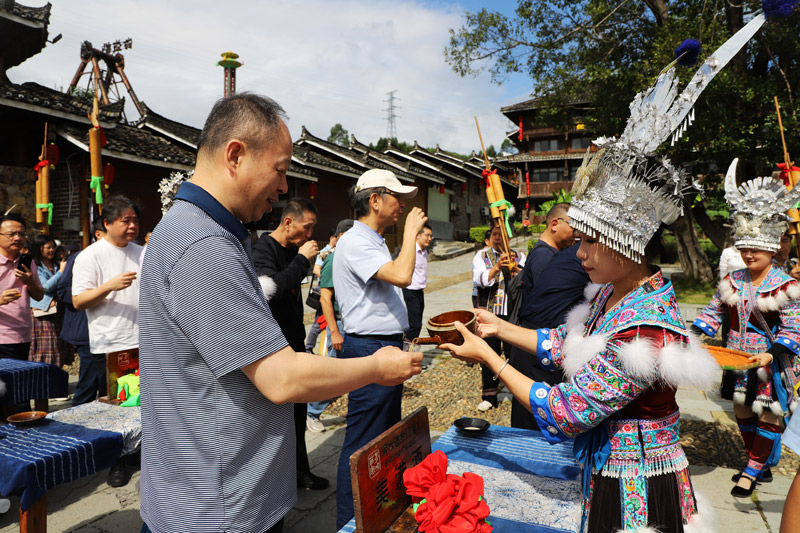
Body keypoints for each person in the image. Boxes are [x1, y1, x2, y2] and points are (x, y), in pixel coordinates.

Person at [437, 26, 761, 524]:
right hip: (606, 467)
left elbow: (567, 411)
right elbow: (569, 345)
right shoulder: (613, 293)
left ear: (627, 245)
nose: (580, 253)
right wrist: (499, 329)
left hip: (637, 486)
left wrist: (490, 359)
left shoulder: (645, 330)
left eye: (590, 241)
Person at [138, 93, 422, 533]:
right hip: (220, 505)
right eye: (281, 169)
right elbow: (282, 378)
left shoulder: (192, 229)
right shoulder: (203, 245)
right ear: (236, 155)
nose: (284, 187)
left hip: (199, 487)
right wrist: (377, 366)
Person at [693, 160, 800, 497]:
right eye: (744, 248)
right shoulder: (732, 279)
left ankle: (751, 470)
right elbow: (713, 311)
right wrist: (692, 335)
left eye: (756, 249)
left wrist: (770, 354)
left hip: (769, 363)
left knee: (768, 414)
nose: (749, 253)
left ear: (771, 248)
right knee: (741, 410)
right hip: (735, 359)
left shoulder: (786, 285)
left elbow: (794, 329)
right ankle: (760, 462)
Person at [333, 168, 427, 528]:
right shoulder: (356, 241)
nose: (402, 205)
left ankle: (376, 510)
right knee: (363, 442)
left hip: (382, 345)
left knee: (382, 440)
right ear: (374, 200)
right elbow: (403, 276)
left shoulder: (371, 240)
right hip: (369, 348)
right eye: (396, 197)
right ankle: (350, 520)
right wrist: (409, 235)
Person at [251, 197, 329, 491]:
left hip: (294, 338)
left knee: (298, 410)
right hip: (273, 347)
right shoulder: (262, 250)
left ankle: (300, 472)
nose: (309, 235)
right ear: (288, 222)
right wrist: (301, 261)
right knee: (276, 415)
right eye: (306, 228)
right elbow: (271, 289)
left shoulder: (293, 249)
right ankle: (275, 477)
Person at [72, 194, 143, 487]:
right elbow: (78, 301)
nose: (132, 226)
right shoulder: (91, 255)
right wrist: (109, 286)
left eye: (135, 220)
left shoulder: (143, 252)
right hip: (113, 342)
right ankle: (117, 461)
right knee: (119, 406)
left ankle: (142, 453)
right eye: (125, 220)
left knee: (144, 403)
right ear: (107, 223)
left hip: (146, 339)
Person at [508, 240, 591, 429]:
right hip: (537, 343)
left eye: (592, 241)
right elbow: (566, 410)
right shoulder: (544, 255)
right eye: (586, 240)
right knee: (532, 424)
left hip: (540, 340)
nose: (582, 253)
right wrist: (489, 351)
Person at [471, 223, 525, 411]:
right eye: (494, 235)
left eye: (501, 235)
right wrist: (496, 267)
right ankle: (489, 395)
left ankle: (517, 392)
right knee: (489, 354)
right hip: (490, 311)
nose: (497, 238)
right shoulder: (482, 255)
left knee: (515, 354)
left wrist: (514, 267)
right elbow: (480, 280)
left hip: (513, 312)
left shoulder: (519, 256)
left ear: (508, 238)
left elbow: (527, 279)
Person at [306, 218, 353, 433]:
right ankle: (312, 412)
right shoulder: (333, 260)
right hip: (340, 323)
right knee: (332, 372)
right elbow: (326, 299)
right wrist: (334, 331)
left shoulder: (353, 258)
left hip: (354, 323)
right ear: (342, 237)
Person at [59, 218, 108, 406]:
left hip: (111, 331)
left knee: (109, 387)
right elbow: (63, 291)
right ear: (99, 234)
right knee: (88, 384)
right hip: (86, 329)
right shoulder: (83, 257)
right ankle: (76, 428)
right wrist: (94, 294)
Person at [0, 212, 44, 361]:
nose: (17, 238)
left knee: (17, 381)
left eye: (21, 234)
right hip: (1, 336)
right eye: (11, 234)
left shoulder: (27, 261)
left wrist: (30, 282)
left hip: (22, 334)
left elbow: (39, 296)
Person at [28, 234, 70, 367]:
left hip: (59, 310)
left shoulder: (56, 264)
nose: (52, 250)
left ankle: (57, 377)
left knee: (59, 346)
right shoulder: (35, 265)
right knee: (46, 347)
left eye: (53, 247)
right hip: (44, 312)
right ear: (39, 248)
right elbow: (45, 286)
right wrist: (61, 272)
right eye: (48, 248)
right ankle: (43, 378)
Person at [522, 202, 575, 298]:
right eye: (573, 227)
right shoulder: (543, 256)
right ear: (554, 224)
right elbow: (548, 299)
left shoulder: (546, 252)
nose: (576, 233)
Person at [304, 227, 338, 353]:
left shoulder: (337, 251)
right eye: (336, 237)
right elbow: (316, 269)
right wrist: (328, 280)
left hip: (331, 288)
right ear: (332, 238)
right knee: (320, 319)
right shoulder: (326, 252)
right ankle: (309, 347)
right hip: (324, 288)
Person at [403, 223, 433, 341]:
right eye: (427, 235)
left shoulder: (424, 251)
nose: (429, 239)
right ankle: (405, 350)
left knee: (417, 323)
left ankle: (409, 349)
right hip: (410, 291)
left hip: (420, 292)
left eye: (431, 236)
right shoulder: (410, 251)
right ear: (417, 236)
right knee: (415, 325)